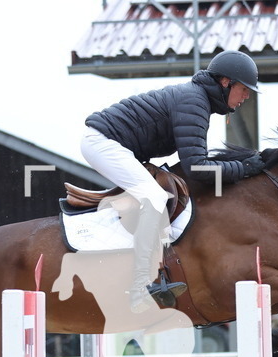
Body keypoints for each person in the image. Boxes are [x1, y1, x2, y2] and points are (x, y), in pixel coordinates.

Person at [82, 50, 265, 312]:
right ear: (226, 82)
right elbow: (198, 167)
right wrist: (243, 168)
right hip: (103, 143)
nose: (247, 95)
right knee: (156, 198)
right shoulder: (194, 102)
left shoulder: (197, 100)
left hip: (116, 145)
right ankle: (140, 284)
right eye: (244, 89)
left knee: (167, 195)